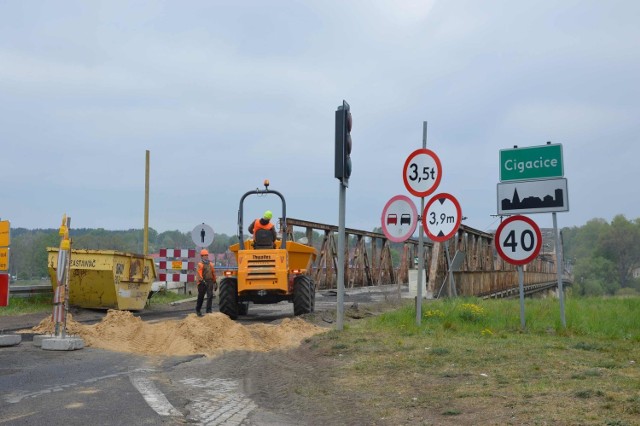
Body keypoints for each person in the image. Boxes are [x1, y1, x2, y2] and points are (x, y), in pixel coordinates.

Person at [195, 249, 217, 316]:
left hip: (210, 281)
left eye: (206, 255)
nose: (206, 256)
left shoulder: (211, 264)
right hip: (202, 283)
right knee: (201, 296)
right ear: (201, 256)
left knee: (210, 296)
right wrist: (202, 280)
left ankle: (209, 311)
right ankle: (198, 310)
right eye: (204, 255)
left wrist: (215, 281)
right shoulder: (200, 264)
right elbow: (199, 273)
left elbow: (213, 273)